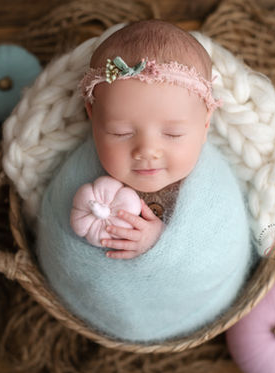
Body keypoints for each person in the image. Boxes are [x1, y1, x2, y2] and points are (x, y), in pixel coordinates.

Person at [73, 19, 221, 259]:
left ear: (205, 123)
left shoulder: (211, 185)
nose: (147, 151)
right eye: (121, 133)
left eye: (173, 134)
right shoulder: (80, 170)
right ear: (92, 117)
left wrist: (161, 242)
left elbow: (221, 250)